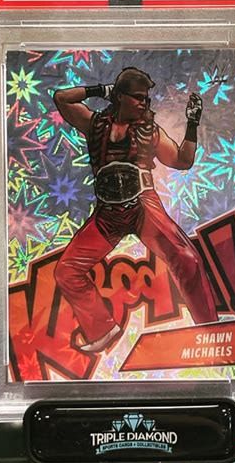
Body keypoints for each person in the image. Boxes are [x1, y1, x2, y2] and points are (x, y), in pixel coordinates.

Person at [53, 67, 218, 352]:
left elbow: (182, 161)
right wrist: (101, 90)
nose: (145, 103)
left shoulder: (150, 131)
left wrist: (192, 124)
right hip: (108, 213)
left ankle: (211, 331)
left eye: (146, 99)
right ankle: (102, 329)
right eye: (139, 97)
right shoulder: (95, 124)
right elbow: (62, 98)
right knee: (66, 271)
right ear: (120, 96)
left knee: (187, 259)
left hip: (142, 207)